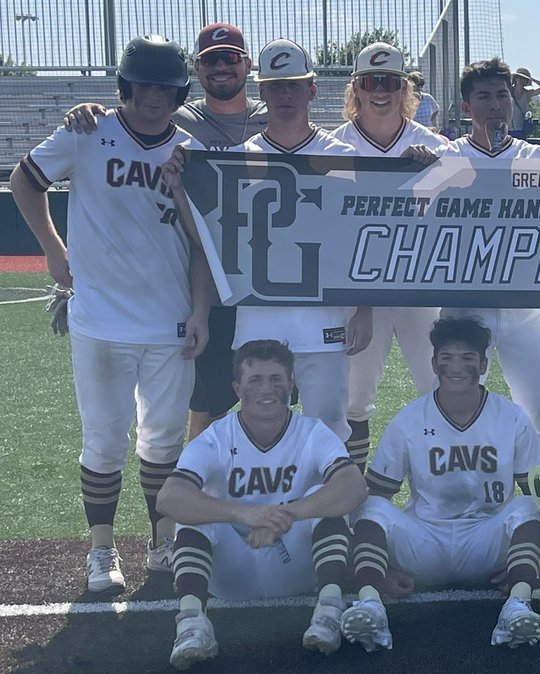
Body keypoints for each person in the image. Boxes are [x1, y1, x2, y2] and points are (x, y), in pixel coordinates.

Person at [10, 34, 210, 594]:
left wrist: (200, 309)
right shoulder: (88, 131)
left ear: (178, 91)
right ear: (126, 85)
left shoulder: (189, 150)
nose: (153, 96)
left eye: (165, 86)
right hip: (100, 319)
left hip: (169, 321)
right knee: (104, 439)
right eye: (144, 84)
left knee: (165, 439)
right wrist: (53, 248)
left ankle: (162, 542)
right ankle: (101, 551)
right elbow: (24, 179)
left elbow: (201, 246)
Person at [61, 22, 270, 442]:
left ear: (247, 64)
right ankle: (195, 488)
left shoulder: (276, 114)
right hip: (210, 275)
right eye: (211, 60)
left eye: (229, 58)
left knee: (273, 382)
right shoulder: (180, 119)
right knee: (204, 398)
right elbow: (133, 115)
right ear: (197, 68)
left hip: (268, 272)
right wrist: (89, 110)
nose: (221, 67)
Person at [167, 39, 373, 456]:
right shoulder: (238, 159)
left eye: (294, 85)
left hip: (323, 319)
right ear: (261, 91)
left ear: (312, 90)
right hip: (260, 318)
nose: (285, 94)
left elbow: (361, 238)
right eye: (276, 86)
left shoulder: (343, 155)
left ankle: (331, 519)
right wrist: (177, 189)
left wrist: (365, 308)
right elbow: (211, 240)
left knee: (330, 429)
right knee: (259, 429)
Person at [339, 317, 540, 651]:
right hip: (425, 542)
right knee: (372, 506)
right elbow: (378, 492)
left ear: (483, 364)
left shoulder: (512, 418)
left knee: (529, 506)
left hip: (485, 541)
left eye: (467, 358)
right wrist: (385, 566)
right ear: (434, 362)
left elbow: (539, 493)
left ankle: (518, 604)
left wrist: (529, 560)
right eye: (447, 357)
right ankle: (370, 603)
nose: (456, 367)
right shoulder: (410, 418)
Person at [156, 340, 368, 669]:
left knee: (326, 498)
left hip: (298, 564)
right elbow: (169, 497)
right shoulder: (217, 435)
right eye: (255, 380)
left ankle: (329, 611)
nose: (267, 388)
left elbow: (354, 486)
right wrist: (245, 514)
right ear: (237, 388)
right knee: (193, 515)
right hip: (231, 570)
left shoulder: (312, 431)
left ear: (292, 384)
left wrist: (285, 515)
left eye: (276, 378)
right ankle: (192, 623)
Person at [436, 56, 540, 476]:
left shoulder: (539, 159)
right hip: (465, 303)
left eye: (502, 95)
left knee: (538, 409)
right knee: (457, 403)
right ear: (466, 107)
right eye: (483, 97)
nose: (495, 105)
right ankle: (458, 502)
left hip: (525, 306)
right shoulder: (443, 158)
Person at [333, 42, 447, 469]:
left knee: (438, 388)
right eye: (370, 81)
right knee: (354, 398)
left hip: (419, 284)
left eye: (390, 82)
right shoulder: (334, 145)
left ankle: (441, 492)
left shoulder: (432, 145)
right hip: (359, 289)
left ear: (405, 90)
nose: (380, 91)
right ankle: (351, 499)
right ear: (356, 89)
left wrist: (438, 172)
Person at [509, 67, 540, 139]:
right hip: (507, 130)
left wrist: (531, 78)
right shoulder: (508, 91)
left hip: (521, 130)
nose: (521, 80)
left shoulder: (528, 94)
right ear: (515, 79)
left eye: (524, 78)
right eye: (519, 78)